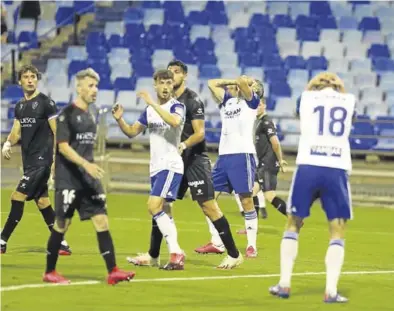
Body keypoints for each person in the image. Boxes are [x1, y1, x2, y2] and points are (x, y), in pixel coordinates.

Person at [127, 60, 243, 269]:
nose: (172, 75)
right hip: (175, 159)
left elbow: (200, 133)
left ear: (184, 76)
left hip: (195, 159)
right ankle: (153, 255)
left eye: (177, 72)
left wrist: (184, 144)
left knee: (209, 207)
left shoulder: (191, 100)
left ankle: (234, 254)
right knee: (161, 204)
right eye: (170, 72)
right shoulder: (166, 103)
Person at [43, 68, 135, 284]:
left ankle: (113, 271)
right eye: (91, 86)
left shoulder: (90, 116)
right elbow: (63, 147)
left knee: (102, 220)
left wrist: (90, 167)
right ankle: (49, 271)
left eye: (96, 86)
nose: (95, 90)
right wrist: (86, 164)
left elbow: (84, 149)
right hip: (69, 180)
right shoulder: (66, 115)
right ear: (79, 87)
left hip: (88, 180)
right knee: (62, 225)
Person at [269, 72, 355, 303]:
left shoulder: (306, 98)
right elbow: (351, 119)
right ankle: (331, 291)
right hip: (335, 168)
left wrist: (313, 86)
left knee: (293, 223)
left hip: (308, 166)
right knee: (337, 229)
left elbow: (300, 111)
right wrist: (340, 88)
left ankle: (284, 284)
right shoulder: (348, 100)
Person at [113, 69, 186, 270]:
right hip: (155, 168)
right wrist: (120, 119)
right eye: (162, 82)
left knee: (153, 206)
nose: (165, 86)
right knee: (165, 211)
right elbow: (131, 133)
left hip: (170, 165)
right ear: (155, 85)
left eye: (169, 82)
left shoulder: (177, 106)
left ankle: (177, 253)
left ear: (173, 85)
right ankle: (160, 256)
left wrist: (151, 102)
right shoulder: (149, 111)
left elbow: (174, 122)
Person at [1, 64, 71, 256]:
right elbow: (16, 132)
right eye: (26, 77)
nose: (30, 80)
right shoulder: (20, 106)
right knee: (42, 202)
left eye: (33, 76)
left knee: (17, 196)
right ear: (20, 82)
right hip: (29, 162)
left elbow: (58, 132)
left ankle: (2, 240)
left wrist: (57, 161)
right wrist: (7, 143)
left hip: (42, 162)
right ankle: (62, 243)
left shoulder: (46, 103)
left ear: (37, 80)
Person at [198, 76, 263, 258]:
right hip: (223, 158)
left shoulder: (252, 102)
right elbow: (211, 82)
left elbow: (242, 82)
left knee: (246, 200)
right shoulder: (228, 101)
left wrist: (243, 82)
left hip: (242, 156)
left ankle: (251, 245)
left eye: (253, 84)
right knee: (208, 199)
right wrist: (232, 80)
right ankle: (216, 243)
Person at [234, 97, 289, 232]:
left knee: (269, 196)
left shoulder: (266, 122)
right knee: (250, 194)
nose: (257, 107)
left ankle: (295, 219)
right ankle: (252, 227)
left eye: (260, 105)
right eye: (255, 105)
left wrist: (280, 159)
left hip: (268, 163)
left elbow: (275, 142)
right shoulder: (258, 122)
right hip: (262, 163)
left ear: (264, 105)